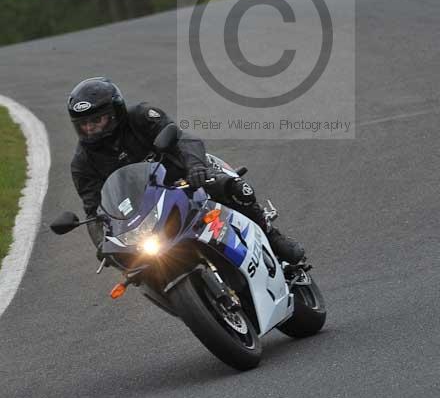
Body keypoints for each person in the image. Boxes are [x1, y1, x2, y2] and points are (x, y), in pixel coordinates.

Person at [68, 77, 305, 264]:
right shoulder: (82, 163)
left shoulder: (141, 116)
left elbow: (183, 139)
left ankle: (271, 235)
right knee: (132, 263)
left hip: (184, 175)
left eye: (97, 120)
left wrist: (196, 167)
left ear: (116, 112)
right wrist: (103, 244)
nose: (91, 129)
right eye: (84, 124)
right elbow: (94, 209)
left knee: (232, 188)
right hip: (144, 209)